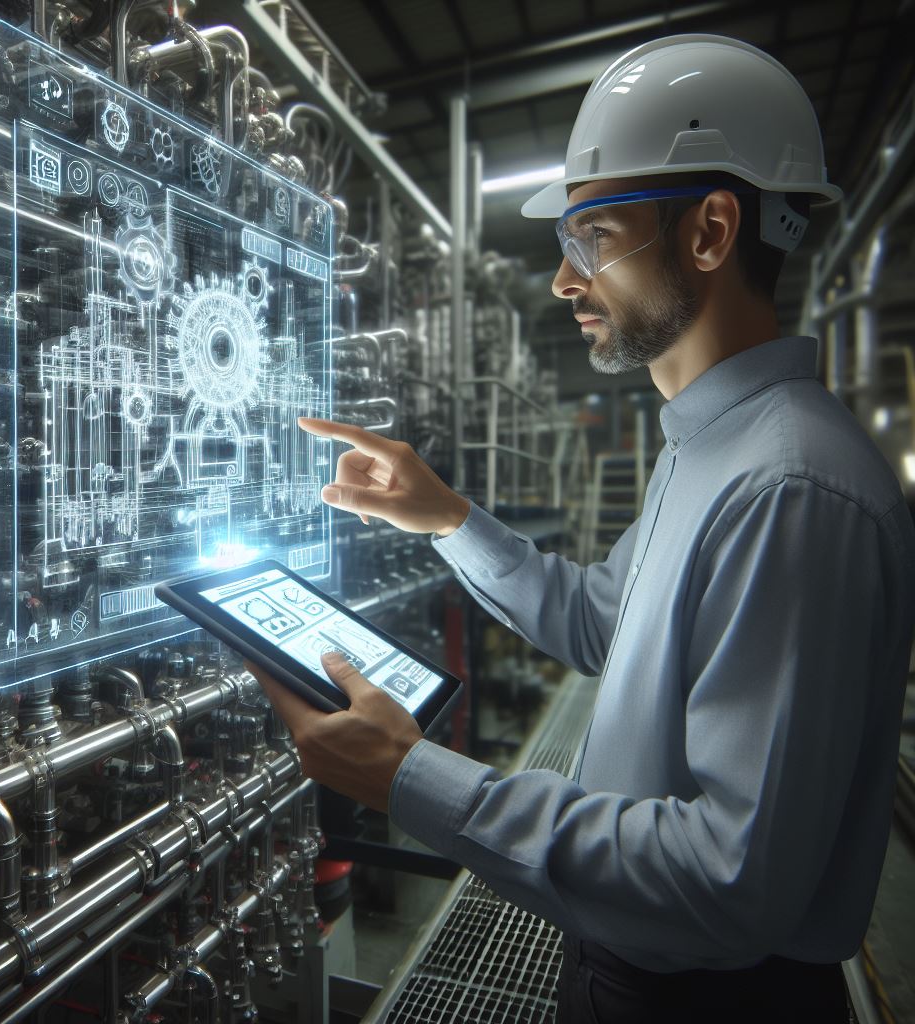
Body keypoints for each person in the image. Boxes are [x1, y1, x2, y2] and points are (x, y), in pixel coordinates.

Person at [248, 34, 915, 1022]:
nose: (564, 282)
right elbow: (602, 619)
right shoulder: (705, 447)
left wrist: (409, 777)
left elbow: (725, 879)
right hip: (627, 963)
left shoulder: (790, 488)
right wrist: (447, 516)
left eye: (589, 239)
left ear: (710, 231)